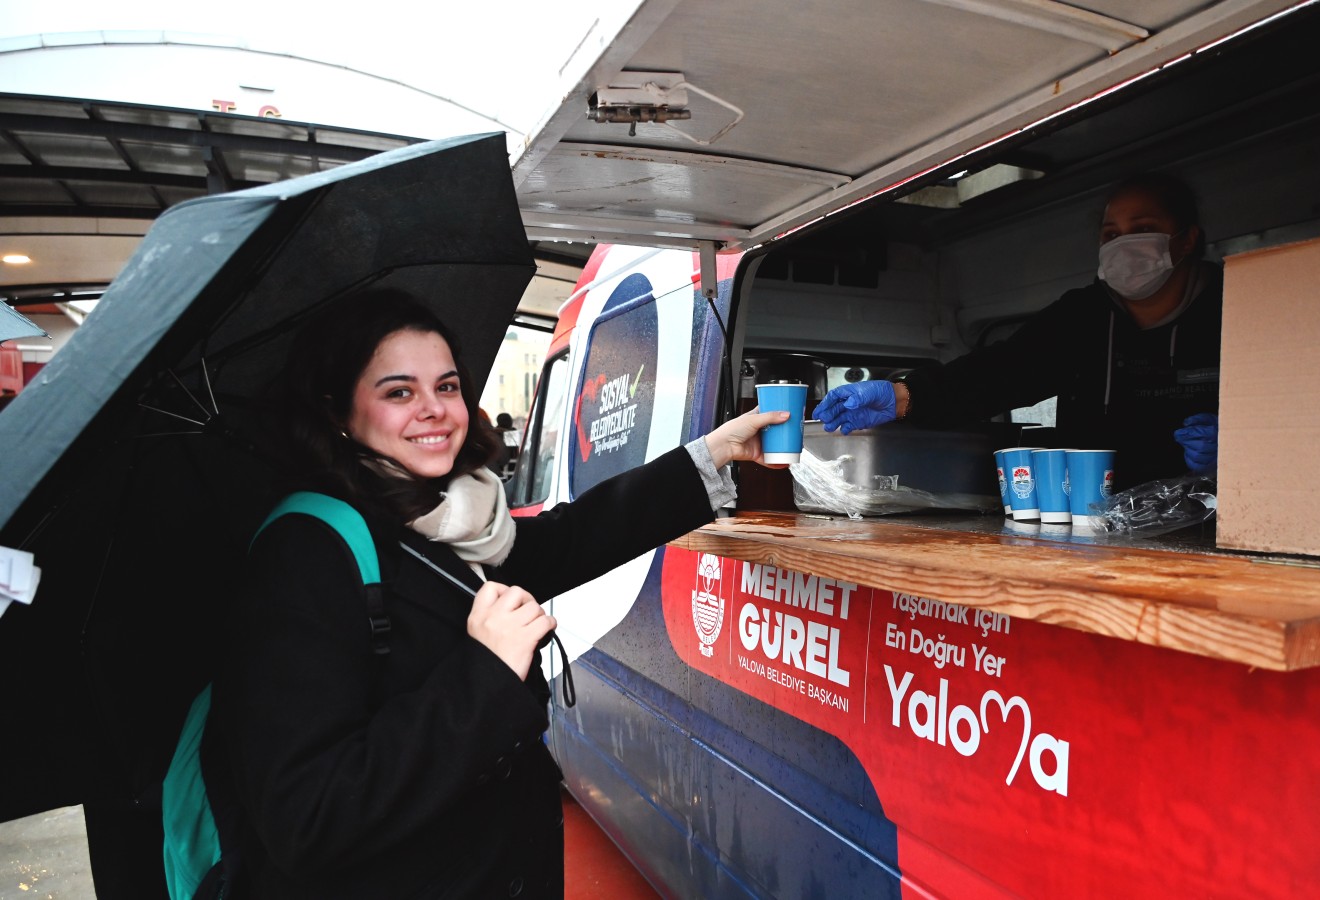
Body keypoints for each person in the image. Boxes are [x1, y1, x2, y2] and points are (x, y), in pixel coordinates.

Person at [200, 288, 786, 899]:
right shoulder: (304, 552)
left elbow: (572, 537)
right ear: (337, 410)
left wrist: (714, 453)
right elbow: (307, 818)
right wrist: (487, 670)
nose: (434, 409)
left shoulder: (443, 517)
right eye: (399, 392)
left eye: (447, 387)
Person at [814, 172, 1221, 488]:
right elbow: (999, 373)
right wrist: (903, 395)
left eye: (1142, 229)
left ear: (1186, 241)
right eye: (1111, 234)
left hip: (1212, 518)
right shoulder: (1084, 316)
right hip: (1093, 515)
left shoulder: (1231, 308)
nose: (1123, 244)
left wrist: (1240, 448)